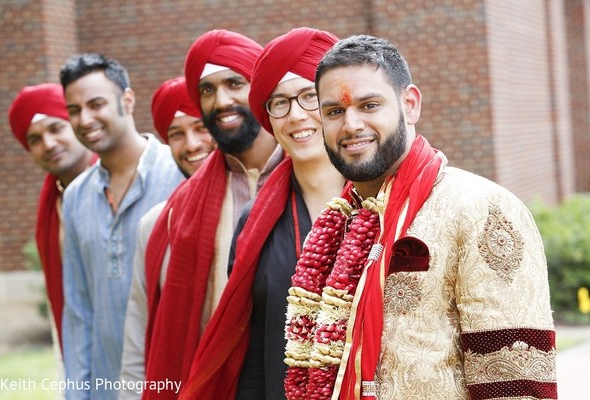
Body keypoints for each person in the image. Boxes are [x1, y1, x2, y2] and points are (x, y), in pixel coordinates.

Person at [283, 35, 557, 400]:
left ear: (409, 105)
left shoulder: (480, 209)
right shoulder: (338, 224)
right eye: (334, 112)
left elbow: (517, 386)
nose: (350, 125)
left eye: (369, 105)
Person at [178, 27, 346, 400]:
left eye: (309, 97)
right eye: (279, 103)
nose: (296, 116)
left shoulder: (385, 204)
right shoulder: (255, 222)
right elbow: (249, 353)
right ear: (267, 116)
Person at [141, 30, 283, 399]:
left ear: (261, 88)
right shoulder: (178, 212)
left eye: (235, 83)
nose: (221, 100)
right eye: (206, 90)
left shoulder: (315, 176)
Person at [59, 53, 185, 399]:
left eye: (96, 104)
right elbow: (79, 309)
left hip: (172, 383)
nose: (85, 119)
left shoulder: (179, 176)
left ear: (127, 101)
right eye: (74, 110)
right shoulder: (74, 197)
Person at [118, 76, 216, 400]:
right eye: (176, 134)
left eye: (201, 127)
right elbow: (137, 338)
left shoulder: (261, 208)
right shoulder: (155, 225)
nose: (191, 145)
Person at [8, 82, 96, 357]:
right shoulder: (53, 205)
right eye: (35, 139)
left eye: (56, 128)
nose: (48, 144)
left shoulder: (119, 185)